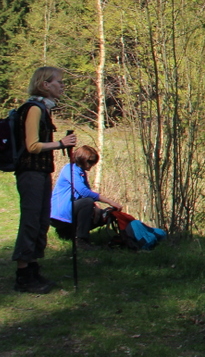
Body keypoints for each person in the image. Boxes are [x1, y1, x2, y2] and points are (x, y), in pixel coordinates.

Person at [12, 66, 78, 293]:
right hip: (30, 173)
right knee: (31, 221)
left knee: (40, 221)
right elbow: (32, 146)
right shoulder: (33, 109)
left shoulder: (43, 108)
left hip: (40, 172)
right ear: (45, 84)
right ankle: (23, 276)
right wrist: (61, 144)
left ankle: (32, 270)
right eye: (59, 82)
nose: (62, 86)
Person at [50, 145, 123, 246]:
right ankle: (82, 240)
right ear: (82, 159)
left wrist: (96, 207)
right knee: (87, 202)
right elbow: (84, 192)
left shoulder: (81, 173)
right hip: (60, 213)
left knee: (103, 214)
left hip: (71, 209)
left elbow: (87, 192)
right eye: (90, 162)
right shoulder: (70, 169)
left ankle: (69, 234)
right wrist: (110, 201)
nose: (91, 165)